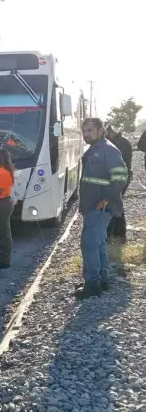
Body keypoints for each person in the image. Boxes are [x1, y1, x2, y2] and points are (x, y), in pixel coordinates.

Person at [75, 118, 128, 299]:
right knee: (98, 243)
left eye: (90, 130)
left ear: (100, 130)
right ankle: (102, 280)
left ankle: (92, 285)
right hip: (93, 206)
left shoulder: (108, 150)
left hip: (101, 206)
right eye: (84, 131)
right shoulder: (96, 149)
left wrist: (107, 198)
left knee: (88, 244)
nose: (86, 134)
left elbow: (121, 176)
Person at [105, 125, 132, 242]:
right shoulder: (121, 141)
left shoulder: (119, 144)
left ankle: (118, 235)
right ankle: (117, 234)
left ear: (109, 131)